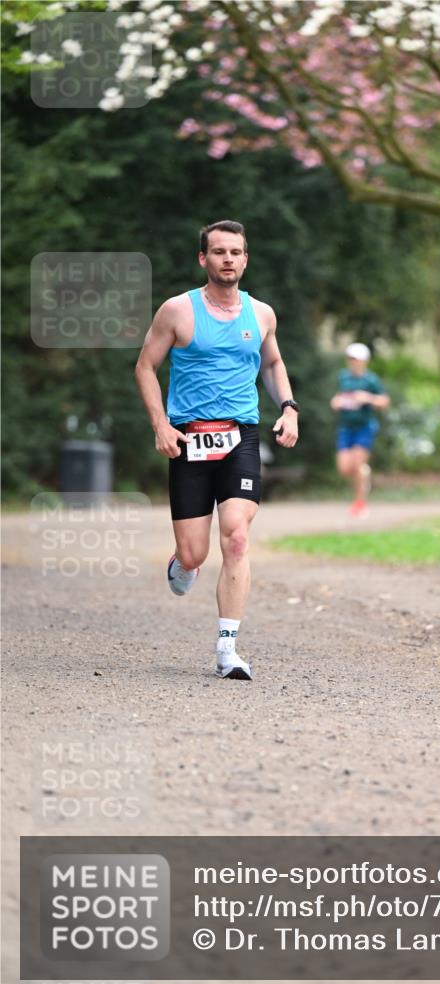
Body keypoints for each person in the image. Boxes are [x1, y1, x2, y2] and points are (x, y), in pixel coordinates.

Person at [135, 220, 299, 681]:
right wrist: (161, 425)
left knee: (237, 536)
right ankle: (182, 562)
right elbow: (145, 367)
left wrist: (289, 408)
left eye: (236, 252)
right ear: (203, 258)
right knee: (194, 555)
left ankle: (228, 649)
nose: (228, 259)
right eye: (219, 251)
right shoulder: (177, 310)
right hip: (189, 437)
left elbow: (272, 362)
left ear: (246, 259)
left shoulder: (261, 314)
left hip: (240, 436)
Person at [330, 343, 390, 517]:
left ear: (364, 361)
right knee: (344, 468)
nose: (353, 362)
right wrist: (336, 402)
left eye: (356, 359)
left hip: (364, 427)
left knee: (357, 465)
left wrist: (368, 398)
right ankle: (364, 476)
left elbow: (384, 401)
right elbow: (337, 397)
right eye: (351, 358)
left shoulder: (371, 380)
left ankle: (360, 503)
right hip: (345, 428)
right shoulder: (343, 377)